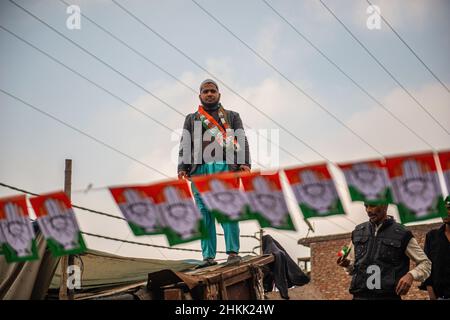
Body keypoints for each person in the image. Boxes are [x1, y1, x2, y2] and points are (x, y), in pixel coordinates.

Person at [177, 79, 251, 268]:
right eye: (205, 91)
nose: (209, 94)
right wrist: (182, 167)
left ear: (219, 94)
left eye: (212, 91)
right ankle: (208, 257)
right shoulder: (191, 118)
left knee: (228, 210)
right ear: (200, 95)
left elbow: (241, 139)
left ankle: (233, 253)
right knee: (204, 213)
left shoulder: (233, 116)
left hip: (225, 167)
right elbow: (185, 143)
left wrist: (245, 163)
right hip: (199, 169)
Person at [337, 203, 431, 300]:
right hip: (359, 296)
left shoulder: (402, 234)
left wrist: (411, 275)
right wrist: (347, 264)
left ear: (385, 206)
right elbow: (353, 268)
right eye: (366, 206)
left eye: (373, 205)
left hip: (388, 296)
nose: (368, 210)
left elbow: (426, 263)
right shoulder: (358, 232)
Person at [420, 196, 450, 300]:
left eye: (449, 208)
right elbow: (427, 268)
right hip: (440, 297)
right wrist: (432, 297)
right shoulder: (432, 237)